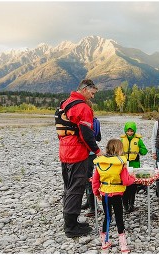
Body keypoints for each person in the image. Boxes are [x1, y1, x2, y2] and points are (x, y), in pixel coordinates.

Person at [55, 79, 99, 237]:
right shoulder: (82, 107)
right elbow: (87, 134)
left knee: (68, 186)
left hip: (64, 150)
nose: (92, 97)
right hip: (77, 153)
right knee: (76, 188)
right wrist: (97, 151)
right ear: (86, 89)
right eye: (92, 93)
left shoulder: (64, 103)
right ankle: (71, 228)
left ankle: (70, 221)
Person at [92, 139, 134, 253]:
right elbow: (125, 181)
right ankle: (123, 246)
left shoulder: (100, 163)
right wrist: (133, 178)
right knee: (119, 218)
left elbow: (95, 181)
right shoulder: (121, 163)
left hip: (105, 194)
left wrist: (96, 193)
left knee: (108, 216)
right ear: (119, 149)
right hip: (117, 195)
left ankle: (104, 242)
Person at [120, 121, 148, 214]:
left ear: (134, 131)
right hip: (124, 166)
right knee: (124, 186)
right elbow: (116, 151)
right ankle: (125, 205)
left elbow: (144, 151)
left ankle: (131, 204)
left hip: (135, 165)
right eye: (128, 131)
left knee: (133, 186)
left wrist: (140, 149)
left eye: (132, 131)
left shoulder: (138, 140)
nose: (129, 133)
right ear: (125, 131)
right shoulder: (121, 140)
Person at [81, 117, 102, 217]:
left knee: (88, 180)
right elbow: (99, 137)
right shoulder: (95, 121)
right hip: (92, 153)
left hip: (87, 154)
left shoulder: (85, 122)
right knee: (86, 178)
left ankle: (94, 207)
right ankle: (89, 202)